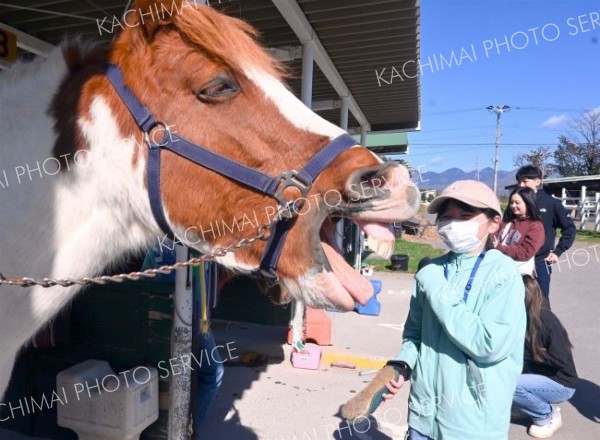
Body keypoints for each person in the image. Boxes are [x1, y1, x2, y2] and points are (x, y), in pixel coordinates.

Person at [341, 180, 526, 440]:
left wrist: (438, 288)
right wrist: (402, 366)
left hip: (472, 423)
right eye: (447, 217)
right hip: (422, 415)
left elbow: (489, 344)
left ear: (494, 223)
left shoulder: (503, 273)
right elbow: (414, 334)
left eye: (465, 216)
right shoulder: (432, 272)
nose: (454, 224)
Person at [513, 275, 577, 438]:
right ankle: (527, 406)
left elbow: (560, 360)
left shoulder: (547, 320)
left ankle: (547, 415)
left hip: (562, 383)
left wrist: (529, 355)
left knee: (512, 384)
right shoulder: (521, 318)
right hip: (540, 375)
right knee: (506, 375)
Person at [516, 165, 576, 302]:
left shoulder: (551, 203)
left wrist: (558, 251)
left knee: (540, 301)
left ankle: (542, 324)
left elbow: (569, 229)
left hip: (540, 261)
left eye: (525, 181)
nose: (521, 185)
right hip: (516, 259)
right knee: (515, 299)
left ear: (537, 181)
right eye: (519, 181)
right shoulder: (515, 203)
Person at [493, 187, 545, 275]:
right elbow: (493, 237)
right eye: (511, 202)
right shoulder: (506, 221)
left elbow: (526, 253)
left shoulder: (535, 226)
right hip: (498, 270)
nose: (513, 206)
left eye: (517, 203)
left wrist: (499, 247)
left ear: (528, 203)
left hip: (519, 274)